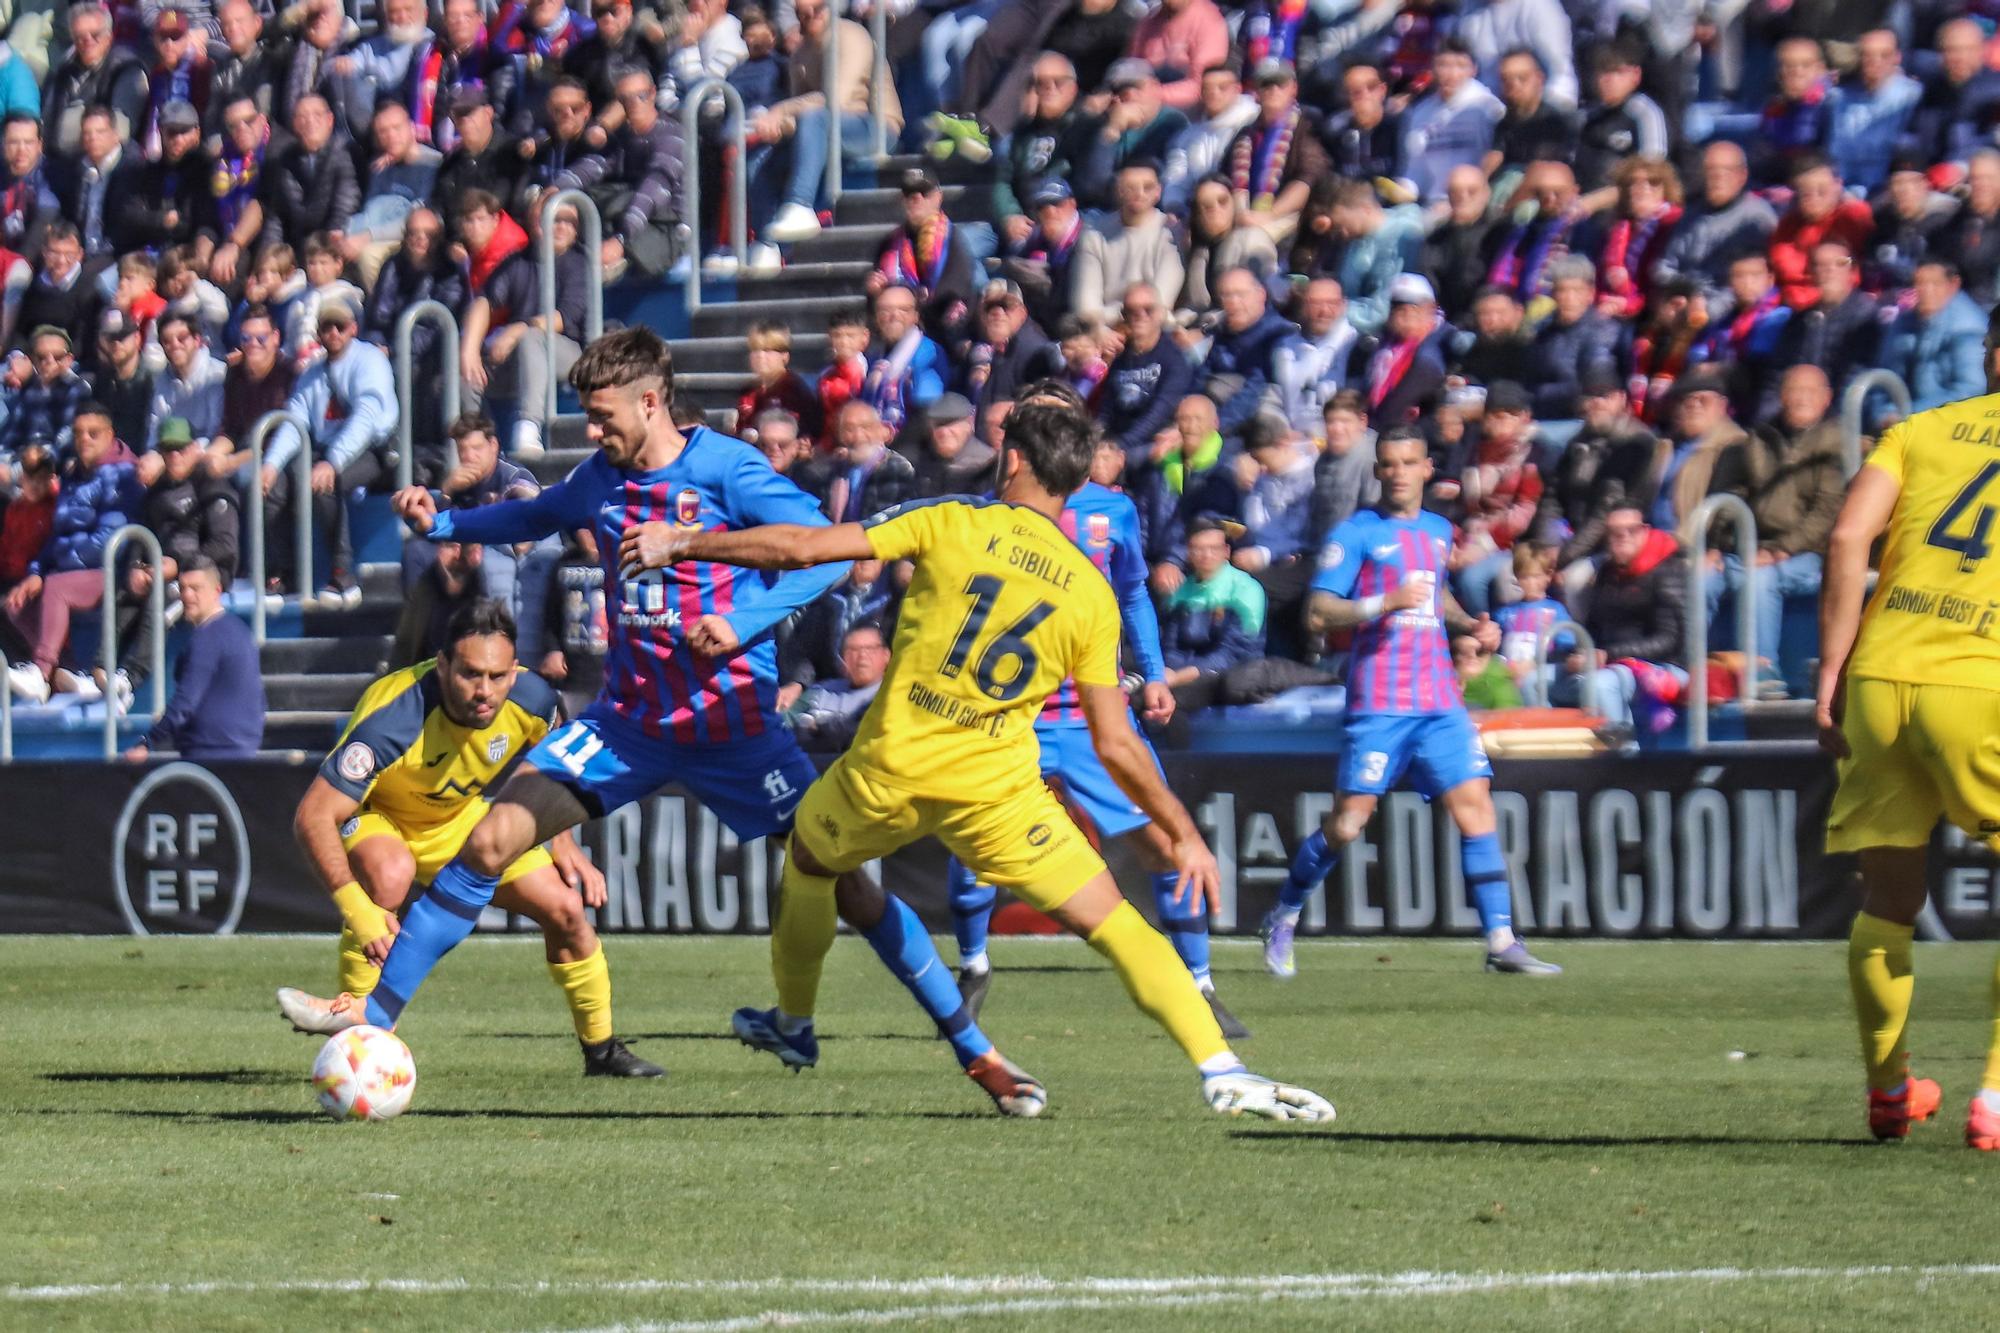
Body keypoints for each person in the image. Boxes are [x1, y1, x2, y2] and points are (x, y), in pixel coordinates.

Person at [284, 328, 1043, 1119]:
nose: (594, 430)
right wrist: (443, 524)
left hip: (736, 730)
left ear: (652, 402)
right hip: (628, 724)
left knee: (848, 884)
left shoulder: (725, 467)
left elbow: (822, 552)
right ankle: (373, 1026)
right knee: (490, 840)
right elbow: (538, 513)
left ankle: (976, 1052)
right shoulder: (600, 477)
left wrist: (746, 619)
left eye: (605, 414)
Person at [626, 397, 1331, 1122]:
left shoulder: (953, 519)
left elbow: (805, 549)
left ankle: (794, 1022)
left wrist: (684, 545)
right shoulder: (1090, 592)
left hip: (890, 769)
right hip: (996, 791)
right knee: (1116, 920)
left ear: (1015, 459)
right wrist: (1181, 832)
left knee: (808, 864)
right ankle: (1223, 1067)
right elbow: (1117, 741)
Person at [944, 422, 1248, 1037]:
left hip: (1093, 716)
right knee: (974, 850)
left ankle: (1200, 984)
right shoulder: (985, 517)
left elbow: (1133, 592)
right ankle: (973, 968)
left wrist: (1155, 672)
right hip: (1011, 715)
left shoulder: (1113, 512)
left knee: (1163, 842)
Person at [274, 600, 661, 1077]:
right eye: (471, 675)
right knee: (390, 876)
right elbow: (313, 816)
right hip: (381, 817)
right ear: (442, 665)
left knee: (565, 910)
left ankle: (602, 1053)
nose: (485, 692)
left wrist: (561, 842)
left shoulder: (534, 699)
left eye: (498, 676)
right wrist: (361, 913)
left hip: (456, 819)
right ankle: (358, 1040)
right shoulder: (396, 715)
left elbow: (553, 764)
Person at [1266, 426, 1560, 977]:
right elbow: (1318, 612)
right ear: (1378, 471)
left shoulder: (1437, 530)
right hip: (1379, 701)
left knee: (1475, 809)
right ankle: (1284, 913)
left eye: (1408, 462)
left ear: (1427, 469)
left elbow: (1434, 593)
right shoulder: (1355, 533)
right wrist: (1384, 601)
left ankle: (1501, 940)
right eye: (1389, 463)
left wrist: (1470, 622)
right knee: (1349, 823)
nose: (1398, 472)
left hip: (1439, 699)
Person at [1818, 302, 2000, 1151]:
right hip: (1981, 679)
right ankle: (1995, 1096)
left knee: (1887, 899)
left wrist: (1831, 669)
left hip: (1882, 675)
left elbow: (1850, 534)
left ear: (1992, 355)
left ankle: (1891, 1090)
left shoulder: (1921, 428)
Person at [1703, 365, 1844, 697]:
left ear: (1826, 399)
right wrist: (1715, 546)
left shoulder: (1837, 443)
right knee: (1701, 578)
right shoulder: (1758, 440)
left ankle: (1762, 672)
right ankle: (1696, 671)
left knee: (1761, 579)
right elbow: (1732, 498)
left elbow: (1827, 513)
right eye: (1794, 390)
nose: (1801, 399)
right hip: (1751, 548)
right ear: (1781, 396)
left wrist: (1779, 550)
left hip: (1809, 554)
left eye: (1810, 392)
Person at [262, 299, 397, 604]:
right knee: (274, 487)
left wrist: (332, 462)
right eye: (327, 327)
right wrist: (270, 464)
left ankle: (342, 575)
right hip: (324, 450)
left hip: (373, 449)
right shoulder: (311, 373)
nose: (333, 333)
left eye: (340, 326)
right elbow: (294, 419)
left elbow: (366, 418)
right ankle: (282, 573)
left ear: (353, 328)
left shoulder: (370, 360)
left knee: (324, 483)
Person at [4, 404, 139, 703]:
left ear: (110, 435)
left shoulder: (125, 476)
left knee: (57, 587)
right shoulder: (73, 475)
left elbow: (110, 539)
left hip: (112, 572)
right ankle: (68, 669)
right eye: (78, 433)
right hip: (70, 570)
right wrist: (37, 572)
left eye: (93, 433)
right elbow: (57, 533)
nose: (84, 440)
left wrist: (57, 568)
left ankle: (41, 672)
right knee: (16, 603)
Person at [1551, 505, 1688, 735]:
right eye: (1615, 532)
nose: (1623, 538)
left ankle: (1623, 756)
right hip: (1610, 663)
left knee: (1598, 684)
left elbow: (1670, 640)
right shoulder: (1607, 572)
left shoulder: (1667, 571)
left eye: (1631, 530)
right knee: (1533, 680)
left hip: (1658, 667)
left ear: (1645, 530)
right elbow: (1595, 626)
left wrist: (1607, 655)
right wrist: (1580, 654)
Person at [121, 557, 264, 760]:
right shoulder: (239, 630)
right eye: (183, 588)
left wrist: (147, 743)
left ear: (217, 591)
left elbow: (185, 703)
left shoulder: (208, 637)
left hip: (213, 754)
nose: (187, 595)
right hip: (241, 750)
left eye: (195, 588)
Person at [1655, 141, 1778, 304]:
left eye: (1726, 170)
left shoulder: (1757, 218)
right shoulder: (1690, 215)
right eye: (1711, 170)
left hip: (1728, 308)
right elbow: (1666, 266)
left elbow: (1751, 282)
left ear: (1742, 175)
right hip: (1686, 299)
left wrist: (1706, 311)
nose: (1717, 178)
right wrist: (1683, 290)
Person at [1071, 161, 1184, 327]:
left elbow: (1161, 303)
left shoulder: (1171, 232)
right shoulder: (1093, 233)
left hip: (1151, 327)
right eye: (1130, 187)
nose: (1139, 194)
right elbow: (1085, 308)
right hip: (1102, 330)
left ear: (1158, 192)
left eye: (1147, 187)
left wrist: (1111, 314)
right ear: (1117, 190)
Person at [1097, 281, 1193, 454]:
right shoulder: (1120, 358)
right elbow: (1107, 409)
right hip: (1116, 440)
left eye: (1148, 309)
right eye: (1131, 311)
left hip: (1151, 444)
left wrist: (1116, 447)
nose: (1139, 315)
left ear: (1161, 313)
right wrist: (1093, 440)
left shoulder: (1174, 359)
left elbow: (1157, 416)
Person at [1882, 260, 1987, 414]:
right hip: (1904, 421)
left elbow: (1972, 388)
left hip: (1952, 424)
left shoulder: (1969, 328)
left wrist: (1908, 414)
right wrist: (1883, 412)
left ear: (1953, 285)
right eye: (1920, 283)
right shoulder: (1903, 323)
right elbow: (1885, 374)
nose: (1926, 290)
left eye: (1936, 284)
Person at [789, 621, 889, 748]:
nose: (862, 655)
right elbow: (784, 720)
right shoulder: (820, 692)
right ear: (843, 658)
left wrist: (817, 726)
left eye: (870, 649)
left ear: (886, 655)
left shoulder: (892, 695)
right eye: (853, 650)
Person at [908, 393, 995, 498]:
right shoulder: (918, 462)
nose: (944, 432)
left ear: (969, 423)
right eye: (937, 424)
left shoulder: (988, 464)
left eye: (951, 423)